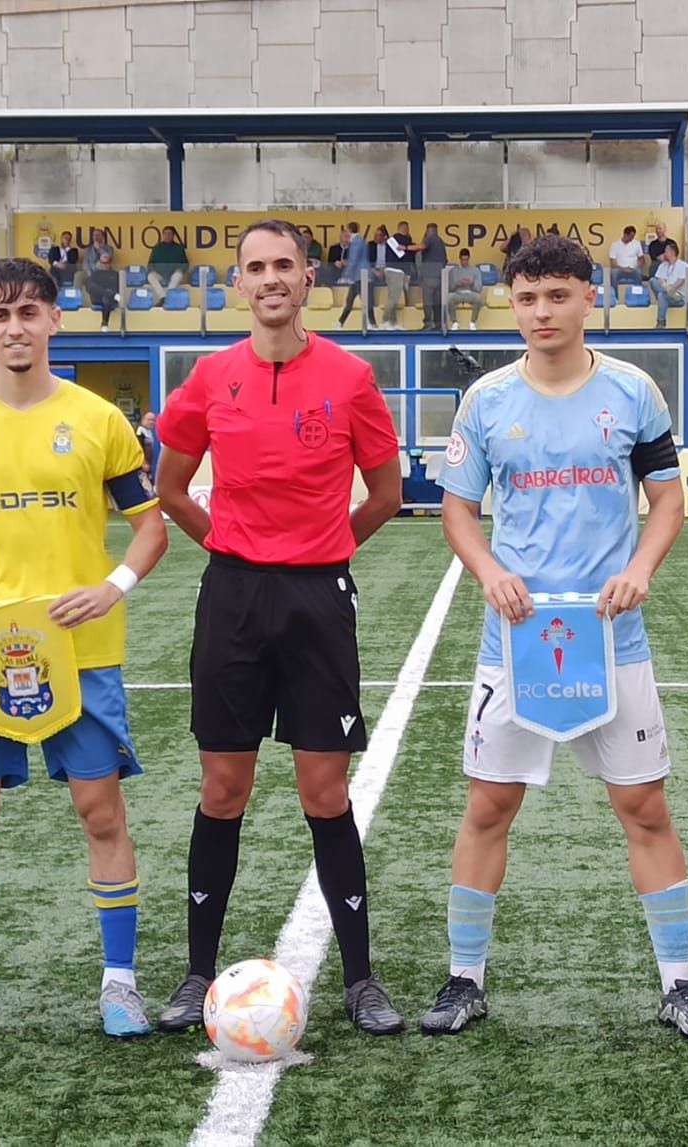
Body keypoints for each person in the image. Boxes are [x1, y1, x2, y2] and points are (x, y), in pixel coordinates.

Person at [420, 234, 688, 1042]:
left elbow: (666, 501)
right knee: (489, 804)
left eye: (557, 295)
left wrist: (641, 568)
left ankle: (682, 983)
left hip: (609, 634)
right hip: (515, 640)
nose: (541, 312)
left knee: (644, 804)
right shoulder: (485, 400)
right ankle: (463, 978)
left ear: (589, 298)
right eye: (526, 298)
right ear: (510, 304)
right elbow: (458, 509)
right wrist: (487, 571)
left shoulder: (633, 393)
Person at [0, 258, 168, 1040]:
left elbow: (151, 525)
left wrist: (112, 585)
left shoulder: (99, 421)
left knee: (99, 809)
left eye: (29, 311)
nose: (15, 326)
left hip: (84, 649)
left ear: (55, 320)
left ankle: (120, 985)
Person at [153, 219, 405, 1036]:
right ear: (239, 282)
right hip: (232, 598)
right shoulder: (209, 376)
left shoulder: (353, 376)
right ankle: (196, 974)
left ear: (308, 279)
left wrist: (321, 552)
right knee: (222, 789)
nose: (270, 279)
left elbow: (385, 493)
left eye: (284, 266)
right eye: (255, 267)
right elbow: (175, 487)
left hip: (317, 603)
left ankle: (362, 979)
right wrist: (233, 549)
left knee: (323, 791)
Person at [335, 222, 373, 329]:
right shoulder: (360, 241)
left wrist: (345, 275)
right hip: (357, 276)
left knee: (365, 300)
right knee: (350, 300)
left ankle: (372, 323)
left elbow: (354, 260)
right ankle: (340, 323)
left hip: (361, 275)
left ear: (349, 230)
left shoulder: (356, 242)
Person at [649, 241, 688, 328]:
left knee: (662, 295)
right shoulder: (663, 265)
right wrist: (665, 287)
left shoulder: (683, 265)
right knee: (653, 281)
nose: (664, 254)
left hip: (677, 296)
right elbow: (659, 278)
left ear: (672, 252)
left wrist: (671, 288)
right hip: (666, 292)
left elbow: (681, 281)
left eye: (666, 251)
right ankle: (661, 323)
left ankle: (661, 323)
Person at [418, 223, 448, 332]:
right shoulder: (440, 242)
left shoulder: (430, 239)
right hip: (440, 276)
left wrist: (405, 247)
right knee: (437, 302)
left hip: (429, 276)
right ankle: (439, 323)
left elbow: (421, 247)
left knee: (428, 302)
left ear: (429, 231)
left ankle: (428, 323)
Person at [147, 226, 189, 303]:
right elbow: (150, 264)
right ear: (162, 235)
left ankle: (168, 297)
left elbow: (185, 264)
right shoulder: (157, 248)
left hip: (173, 275)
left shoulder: (179, 248)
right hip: (160, 275)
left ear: (173, 235)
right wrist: (153, 270)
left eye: (169, 234)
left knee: (178, 275)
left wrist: (180, 269)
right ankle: (163, 297)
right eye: (165, 234)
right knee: (150, 276)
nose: (167, 236)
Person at [448, 248, 485, 331]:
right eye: (462, 260)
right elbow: (450, 288)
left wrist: (472, 283)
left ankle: (472, 322)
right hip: (457, 293)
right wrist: (457, 284)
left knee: (478, 298)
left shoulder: (475, 270)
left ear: (469, 258)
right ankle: (454, 322)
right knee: (449, 298)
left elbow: (479, 288)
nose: (464, 262)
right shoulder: (453, 271)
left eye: (466, 260)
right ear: (459, 258)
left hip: (470, 293)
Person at [87, 253, 120, 332]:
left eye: (106, 263)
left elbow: (116, 288)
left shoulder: (115, 274)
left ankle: (104, 324)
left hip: (109, 300)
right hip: (98, 298)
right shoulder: (95, 274)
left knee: (106, 298)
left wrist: (109, 293)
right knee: (91, 285)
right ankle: (111, 295)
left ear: (110, 263)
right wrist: (107, 292)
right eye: (102, 263)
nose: (104, 265)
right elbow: (90, 288)